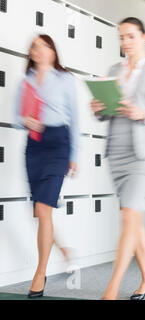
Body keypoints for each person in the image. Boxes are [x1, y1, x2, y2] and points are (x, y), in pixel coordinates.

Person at [90, 17, 145, 300]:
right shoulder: (114, 69)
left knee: (129, 215)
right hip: (117, 151)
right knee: (133, 217)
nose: (125, 42)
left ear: (144, 37)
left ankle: (112, 289)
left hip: (143, 154)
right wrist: (98, 108)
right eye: (121, 37)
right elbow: (106, 113)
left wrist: (144, 114)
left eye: (130, 36)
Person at [13, 34, 79, 299]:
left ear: (53, 51)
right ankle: (64, 251)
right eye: (33, 47)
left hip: (57, 144)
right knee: (41, 214)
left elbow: (75, 119)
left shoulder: (66, 80)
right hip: (33, 146)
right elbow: (16, 118)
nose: (37, 50)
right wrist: (26, 121)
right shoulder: (25, 82)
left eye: (43, 46)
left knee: (43, 208)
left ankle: (39, 274)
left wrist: (74, 154)